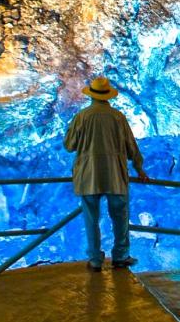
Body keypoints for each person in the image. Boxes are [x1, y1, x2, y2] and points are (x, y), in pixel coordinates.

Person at [64, 76, 149, 272]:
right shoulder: (118, 117)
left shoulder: (81, 117)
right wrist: (139, 168)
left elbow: (69, 146)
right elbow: (131, 147)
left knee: (91, 219)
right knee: (120, 217)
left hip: (88, 175)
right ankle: (120, 256)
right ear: (107, 96)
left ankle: (95, 260)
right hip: (115, 175)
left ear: (91, 95)